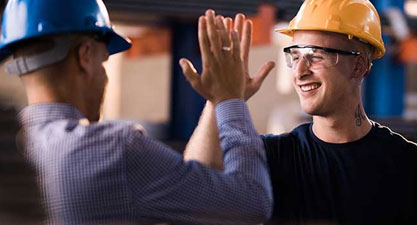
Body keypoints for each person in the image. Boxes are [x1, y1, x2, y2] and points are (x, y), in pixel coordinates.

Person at [183, 0, 417, 224]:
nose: (300, 71)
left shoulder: (414, 169)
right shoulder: (271, 159)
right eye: (295, 56)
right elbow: (195, 186)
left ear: (359, 66)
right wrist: (220, 97)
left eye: (316, 55)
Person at [0, 0, 273, 224]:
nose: (104, 76)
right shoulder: (114, 149)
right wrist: (231, 100)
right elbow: (251, 202)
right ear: (85, 56)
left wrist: (217, 102)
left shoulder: (11, 149)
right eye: (103, 61)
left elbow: (191, 194)